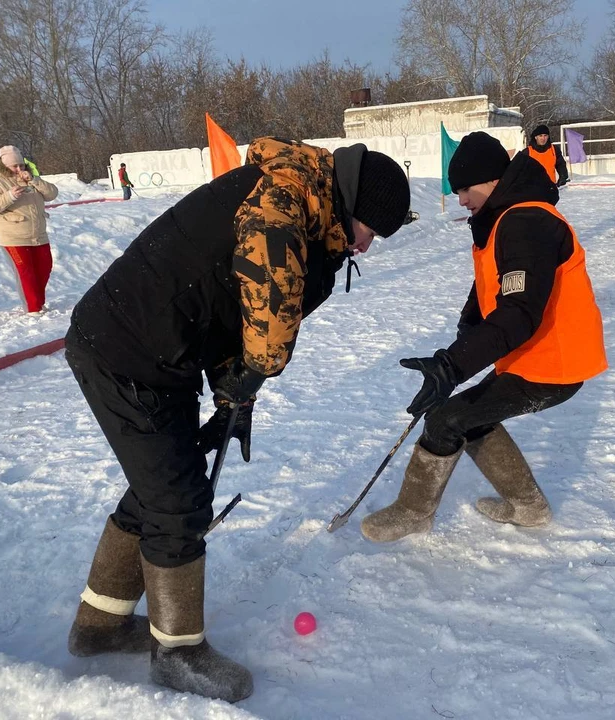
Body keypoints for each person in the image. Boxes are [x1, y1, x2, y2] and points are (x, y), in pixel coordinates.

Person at [63, 137, 410, 702]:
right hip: (126, 348)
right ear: (350, 207)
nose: (366, 248)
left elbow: (233, 300)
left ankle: (97, 628)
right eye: (369, 231)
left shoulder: (305, 202)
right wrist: (250, 375)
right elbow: (269, 334)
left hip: (166, 347)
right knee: (177, 499)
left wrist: (234, 394)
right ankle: (177, 653)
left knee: (166, 481)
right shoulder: (283, 204)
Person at [361, 131, 606, 544]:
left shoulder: (526, 221)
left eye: (465, 189)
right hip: (535, 358)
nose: (460, 200)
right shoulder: (506, 217)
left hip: (553, 363)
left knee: (446, 420)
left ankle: (413, 512)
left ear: (492, 179)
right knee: (470, 416)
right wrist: (467, 330)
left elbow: (519, 312)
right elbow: (490, 286)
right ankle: (528, 506)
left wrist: (452, 365)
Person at [0, 145, 59, 313]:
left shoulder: (31, 179)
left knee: (44, 268)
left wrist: (34, 180)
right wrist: (9, 196)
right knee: (26, 274)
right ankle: (32, 309)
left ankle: (38, 303)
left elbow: (52, 194)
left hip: (38, 234)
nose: (19, 169)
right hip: (13, 237)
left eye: (21, 165)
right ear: (4, 166)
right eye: (14, 166)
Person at [527, 124, 569, 188]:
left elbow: (561, 164)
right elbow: (519, 169)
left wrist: (563, 176)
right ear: (536, 137)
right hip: (533, 189)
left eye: (545, 135)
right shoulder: (527, 151)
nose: (543, 138)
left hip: (550, 187)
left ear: (548, 137)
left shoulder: (554, 149)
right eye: (540, 136)